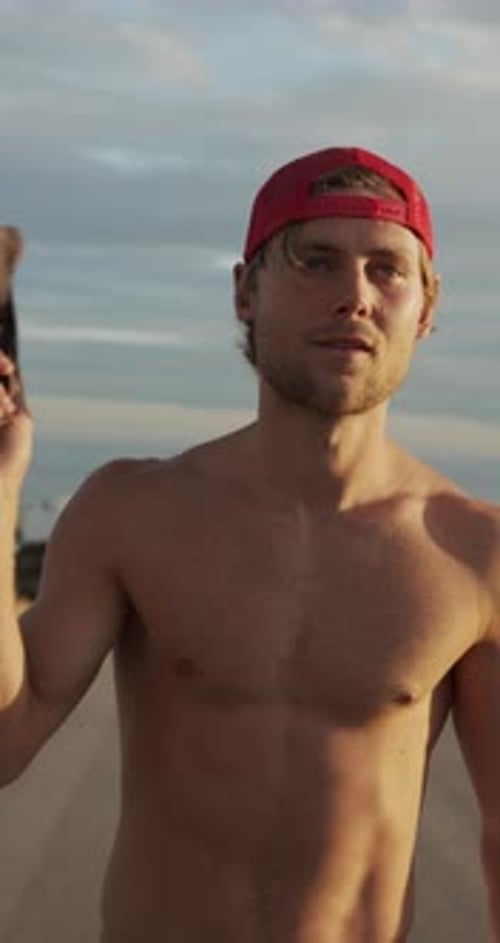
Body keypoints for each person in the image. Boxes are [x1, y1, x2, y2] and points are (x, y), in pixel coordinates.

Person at [0, 146, 499, 943]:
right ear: (245, 291)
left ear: (427, 308)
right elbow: (5, 739)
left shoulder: (475, 552)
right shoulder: (132, 509)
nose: (354, 298)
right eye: (316, 260)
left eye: (387, 270)